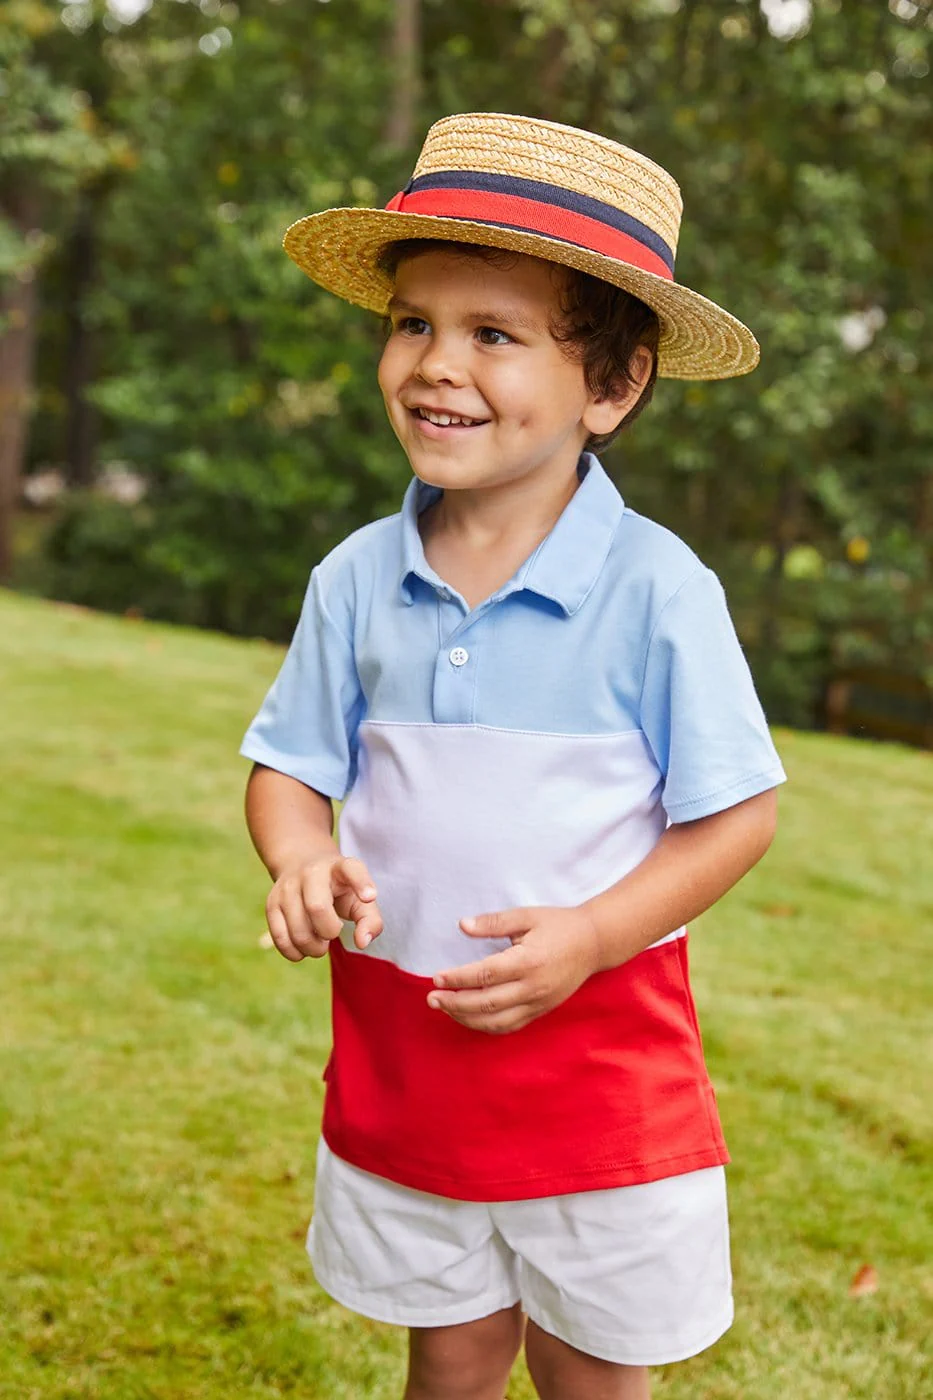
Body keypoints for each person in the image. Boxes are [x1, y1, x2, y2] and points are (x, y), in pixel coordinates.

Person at [241, 112, 786, 1400]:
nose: (436, 365)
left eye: (495, 335)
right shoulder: (360, 577)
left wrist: (594, 937)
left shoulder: (658, 591)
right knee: (454, 1356)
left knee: (593, 1372)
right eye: (415, 322)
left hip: (599, 1073)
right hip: (410, 1056)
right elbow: (288, 762)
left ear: (613, 384)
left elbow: (736, 817)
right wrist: (301, 852)